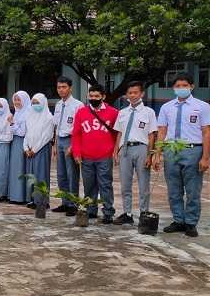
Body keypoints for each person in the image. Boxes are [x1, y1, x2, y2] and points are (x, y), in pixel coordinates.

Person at [153, 73, 210, 238]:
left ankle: (191, 223)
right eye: (177, 86)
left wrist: (205, 157)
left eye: (184, 85)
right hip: (171, 150)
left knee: (193, 190)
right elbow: (162, 130)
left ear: (191, 87)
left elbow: (206, 132)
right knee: (173, 189)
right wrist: (158, 153)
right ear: (173, 88)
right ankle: (178, 220)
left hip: (193, 150)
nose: (181, 89)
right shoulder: (166, 107)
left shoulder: (202, 106)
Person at [71, 85, 119, 224]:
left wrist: (115, 152)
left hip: (105, 156)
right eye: (91, 96)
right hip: (86, 157)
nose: (93, 99)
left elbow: (117, 134)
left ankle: (108, 212)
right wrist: (77, 153)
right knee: (89, 185)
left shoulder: (113, 113)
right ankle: (91, 210)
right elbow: (76, 134)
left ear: (103, 97)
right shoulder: (81, 112)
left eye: (96, 96)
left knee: (105, 184)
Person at [112, 81, 157, 225]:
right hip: (124, 149)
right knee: (125, 184)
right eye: (129, 93)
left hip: (141, 149)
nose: (132, 95)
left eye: (135, 92)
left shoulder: (149, 112)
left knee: (144, 184)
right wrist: (115, 151)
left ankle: (144, 213)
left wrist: (150, 155)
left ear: (142, 93)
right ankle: (127, 213)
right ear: (126, 95)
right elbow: (119, 133)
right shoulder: (122, 112)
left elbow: (152, 135)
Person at [52, 76, 84, 215]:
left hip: (71, 140)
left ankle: (73, 204)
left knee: (72, 174)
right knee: (61, 174)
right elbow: (56, 126)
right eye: (59, 87)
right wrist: (54, 144)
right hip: (60, 140)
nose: (61, 90)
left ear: (70, 88)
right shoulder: (59, 105)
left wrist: (74, 146)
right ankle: (64, 202)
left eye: (64, 87)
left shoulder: (78, 105)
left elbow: (80, 128)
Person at [24, 94, 54, 209]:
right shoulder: (30, 116)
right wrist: (26, 148)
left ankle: (42, 201)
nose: (35, 105)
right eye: (34, 103)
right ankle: (33, 199)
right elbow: (27, 134)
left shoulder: (48, 118)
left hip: (41, 149)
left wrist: (34, 149)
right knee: (32, 175)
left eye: (38, 103)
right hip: (30, 150)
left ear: (43, 103)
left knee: (41, 175)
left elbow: (46, 136)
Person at [7, 91, 31, 205]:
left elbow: (22, 132)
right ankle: (14, 195)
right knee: (15, 168)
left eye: (19, 100)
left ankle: (20, 196)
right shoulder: (17, 112)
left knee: (20, 168)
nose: (16, 102)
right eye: (15, 100)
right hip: (15, 141)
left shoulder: (27, 113)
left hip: (21, 142)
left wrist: (12, 124)